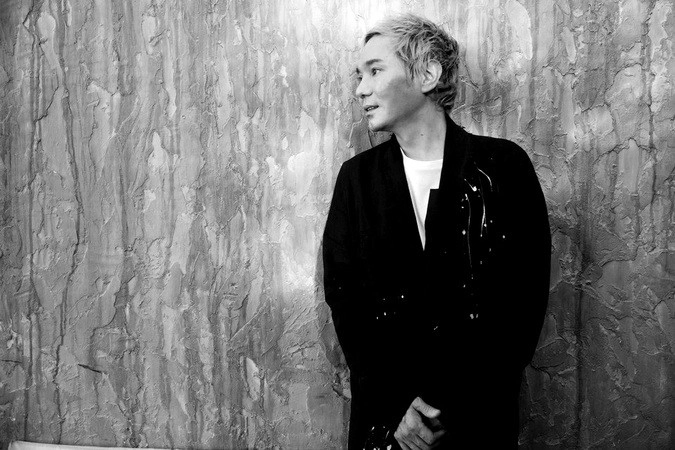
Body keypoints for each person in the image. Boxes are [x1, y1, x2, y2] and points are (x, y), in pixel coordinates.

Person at [322, 13, 551, 450]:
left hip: (477, 425)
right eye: (359, 76)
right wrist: (397, 407)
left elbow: (521, 304)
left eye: (375, 70)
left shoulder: (503, 168)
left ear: (428, 73)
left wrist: (447, 408)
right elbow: (347, 303)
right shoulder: (357, 179)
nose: (361, 89)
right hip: (386, 430)